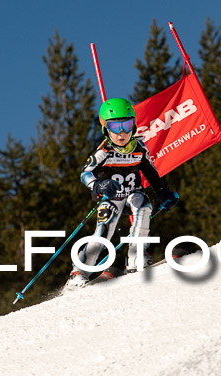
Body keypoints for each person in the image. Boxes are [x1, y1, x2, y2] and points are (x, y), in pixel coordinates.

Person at [66, 97, 179, 288]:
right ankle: (78, 272)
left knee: (143, 206)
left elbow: (151, 172)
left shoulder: (139, 148)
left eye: (126, 125)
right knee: (104, 233)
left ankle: (136, 259)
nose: (122, 132)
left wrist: (162, 191)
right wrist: (98, 184)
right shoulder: (104, 151)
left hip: (133, 192)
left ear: (134, 125)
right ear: (105, 129)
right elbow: (85, 173)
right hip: (111, 197)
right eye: (115, 127)